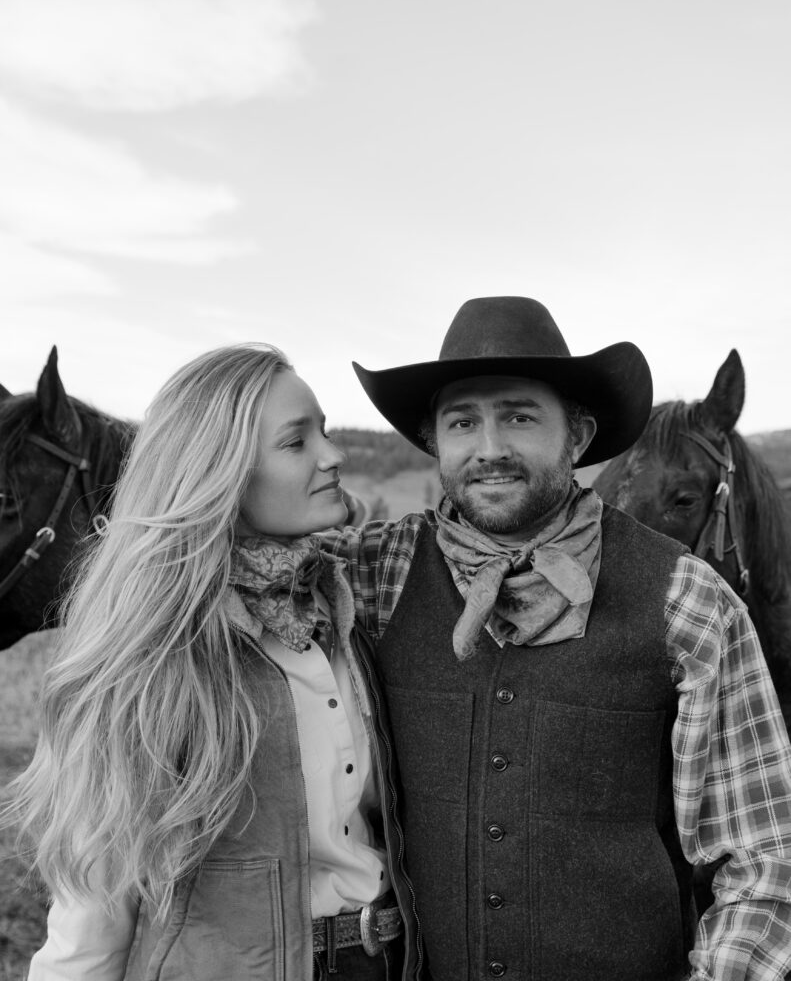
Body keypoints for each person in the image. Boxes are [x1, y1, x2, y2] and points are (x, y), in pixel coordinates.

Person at [322, 296, 791, 981]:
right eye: (462, 421)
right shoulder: (373, 577)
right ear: (433, 441)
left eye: (517, 415)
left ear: (576, 435)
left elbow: (765, 856)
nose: (488, 449)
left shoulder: (685, 599)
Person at [9, 343, 422, 981]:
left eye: (327, 432)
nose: (333, 456)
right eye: (295, 442)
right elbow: (91, 917)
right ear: (219, 471)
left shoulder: (349, 614)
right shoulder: (151, 661)